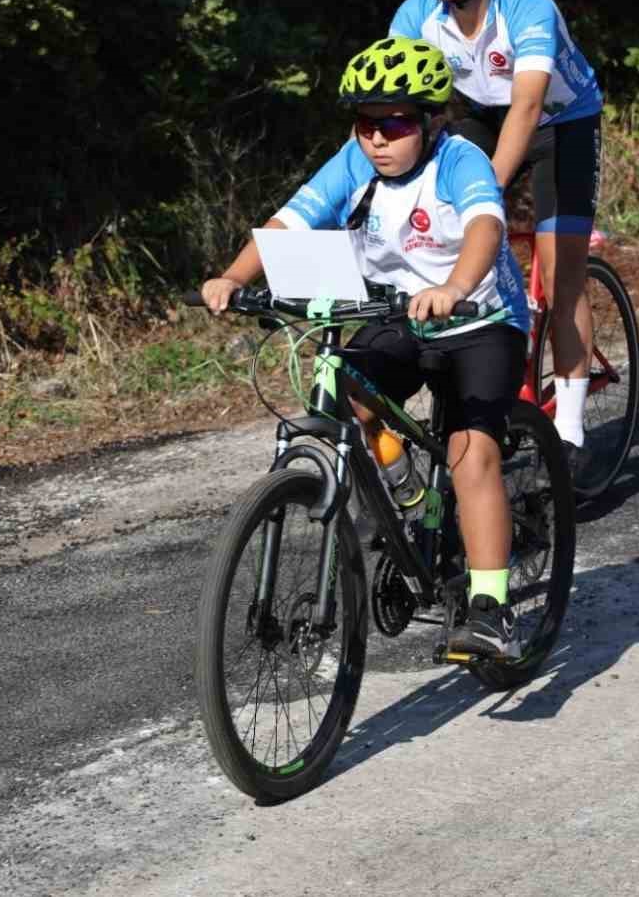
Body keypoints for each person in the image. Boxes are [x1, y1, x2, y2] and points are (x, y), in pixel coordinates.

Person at [201, 36, 532, 659]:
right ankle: (408, 489)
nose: (378, 138)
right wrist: (235, 278)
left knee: (469, 454)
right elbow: (290, 222)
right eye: (365, 124)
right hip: (399, 313)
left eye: (396, 123)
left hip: (478, 319)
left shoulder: (459, 161)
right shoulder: (356, 162)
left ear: (433, 122)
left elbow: (486, 226)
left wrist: (455, 285)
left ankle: (492, 611)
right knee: (344, 386)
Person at [389, 0, 604, 472]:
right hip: (486, 116)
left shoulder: (527, 6)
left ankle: (570, 428)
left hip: (562, 123)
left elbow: (530, 107)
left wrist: (486, 196)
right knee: (451, 239)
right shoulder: (416, 14)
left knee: (561, 276)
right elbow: (394, 105)